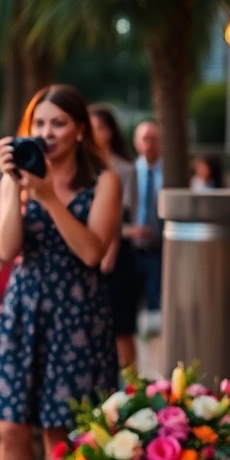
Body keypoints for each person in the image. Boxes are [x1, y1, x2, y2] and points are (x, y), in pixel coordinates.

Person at [0, 85, 122, 460]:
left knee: (58, 434)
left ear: (80, 129)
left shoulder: (104, 181)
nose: (47, 133)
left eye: (59, 123)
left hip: (77, 313)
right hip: (25, 308)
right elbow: (6, 246)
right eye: (38, 123)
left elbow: (91, 252)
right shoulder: (17, 176)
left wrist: (47, 197)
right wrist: (14, 188)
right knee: (10, 430)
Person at [89, 104, 139, 368]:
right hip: (86, 253)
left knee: (121, 327)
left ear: (109, 132)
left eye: (98, 128)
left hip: (115, 256)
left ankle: (133, 390)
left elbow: (122, 214)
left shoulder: (125, 169)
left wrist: (110, 250)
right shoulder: (80, 167)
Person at [130, 121, 163, 317]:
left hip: (159, 249)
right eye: (145, 139)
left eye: (154, 139)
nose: (149, 144)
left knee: (155, 306)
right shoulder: (129, 172)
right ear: (137, 143)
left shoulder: (171, 173)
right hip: (132, 250)